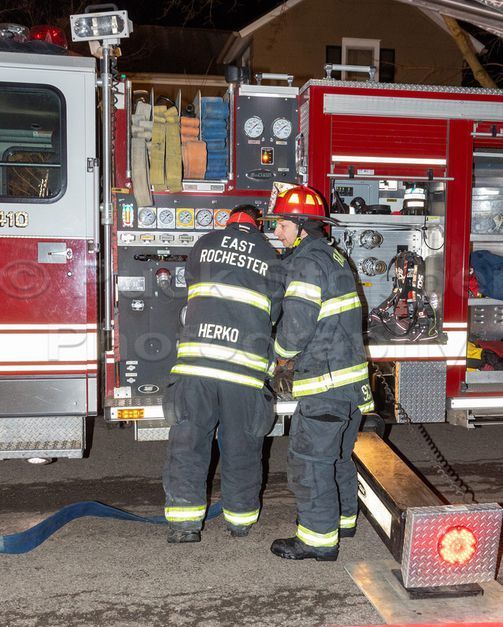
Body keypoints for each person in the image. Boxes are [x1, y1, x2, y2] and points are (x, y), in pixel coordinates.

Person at [162, 204, 283, 543]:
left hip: (196, 366)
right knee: (242, 446)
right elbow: (275, 311)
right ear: (258, 225)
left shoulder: (204, 243)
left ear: (228, 221)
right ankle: (239, 522)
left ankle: (184, 525)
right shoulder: (270, 256)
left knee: (188, 442)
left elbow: (191, 290)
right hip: (243, 371)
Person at [267, 185, 374, 561]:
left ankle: (317, 540)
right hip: (350, 385)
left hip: (325, 385)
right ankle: (344, 521)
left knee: (310, 461)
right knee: (338, 457)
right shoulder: (334, 257)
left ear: (301, 227)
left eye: (282, 225)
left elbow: (296, 327)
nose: (277, 232)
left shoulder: (307, 263)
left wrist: (279, 359)